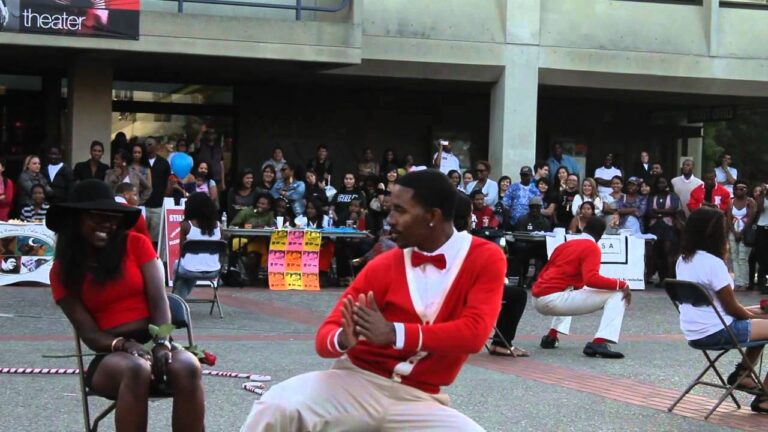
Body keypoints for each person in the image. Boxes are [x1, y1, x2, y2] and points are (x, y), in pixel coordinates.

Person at [240, 169, 505, 431]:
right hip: (354, 382)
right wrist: (344, 338)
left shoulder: (485, 257)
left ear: (432, 216)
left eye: (400, 211)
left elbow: (474, 334)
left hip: (420, 400)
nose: (389, 220)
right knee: (276, 405)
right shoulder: (384, 265)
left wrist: (394, 333)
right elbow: (325, 337)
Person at [47, 180, 204, 431]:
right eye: (96, 218)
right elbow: (89, 334)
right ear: (74, 220)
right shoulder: (61, 272)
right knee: (136, 369)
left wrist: (163, 342)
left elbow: (158, 299)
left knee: (187, 366)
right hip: (109, 354)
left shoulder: (136, 244)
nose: (106, 225)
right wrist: (123, 344)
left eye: (111, 218)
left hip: (155, 340)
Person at [675, 207, 768, 413]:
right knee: (761, 322)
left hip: (696, 331)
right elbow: (733, 309)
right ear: (714, 234)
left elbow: (722, 307)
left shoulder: (684, 260)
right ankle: (764, 398)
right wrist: (755, 316)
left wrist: (758, 314)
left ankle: (743, 374)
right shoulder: (714, 264)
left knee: (762, 320)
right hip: (717, 331)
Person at [533, 216, 631, 359]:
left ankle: (551, 336)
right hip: (553, 300)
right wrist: (622, 284)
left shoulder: (564, 245)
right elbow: (591, 279)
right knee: (618, 294)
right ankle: (599, 342)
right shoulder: (592, 247)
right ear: (601, 234)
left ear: (583, 227)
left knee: (572, 288)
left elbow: (544, 271)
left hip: (537, 298)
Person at [174, 193, 222, 300]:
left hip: (190, 270)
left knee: (180, 268)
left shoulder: (186, 225)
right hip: (213, 270)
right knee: (191, 269)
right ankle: (179, 299)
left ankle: (178, 300)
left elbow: (182, 252)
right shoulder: (218, 226)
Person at [647, 176, 682, 283]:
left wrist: (657, 212)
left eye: (663, 183)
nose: (661, 185)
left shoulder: (673, 196)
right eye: (659, 183)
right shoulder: (653, 196)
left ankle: (670, 278)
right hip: (655, 228)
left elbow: (674, 210)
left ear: (667, 184)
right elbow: (649, 211)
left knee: (668, 253)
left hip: (669, 229)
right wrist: (663, 213)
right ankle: (661, 278)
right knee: (656, 254)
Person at [728, 180, 757, 290]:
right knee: (734, 257)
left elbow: (751, 217)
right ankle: (737, 281)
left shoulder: (750, 202)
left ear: (747, 190)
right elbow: (728, 218)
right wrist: (734, 232)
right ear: (734, 190)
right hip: (734, 230)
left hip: (746, 231)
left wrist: (742, 232)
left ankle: (744, 282)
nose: (740, 191)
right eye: (738, 189)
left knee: (743, 257)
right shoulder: (731, 202)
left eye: (743, 188)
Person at [144, 137, 172, 245]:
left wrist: (165, 197)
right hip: (143, 205)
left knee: (155, 239)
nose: (147, 146)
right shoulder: (140, 162)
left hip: (158, 206)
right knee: (141, 236)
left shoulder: (164, 163)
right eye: (146, 144)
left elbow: (168, 183)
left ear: (156, 146)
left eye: (150, 144)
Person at [754, 183, 768, 294]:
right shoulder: (762, 197)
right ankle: (762, 283)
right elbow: (759, 208)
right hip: (762, 227)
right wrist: (763, 194)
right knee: (762, 256)